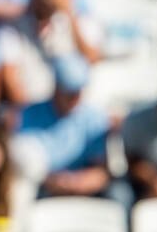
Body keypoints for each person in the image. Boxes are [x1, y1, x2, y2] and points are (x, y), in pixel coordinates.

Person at [14, 57, 114, 199]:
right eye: (68, 92)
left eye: (78, 91)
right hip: (41, 187)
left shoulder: (95, 119)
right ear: (57, 88)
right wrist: (51, 181)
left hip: (85, 190)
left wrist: (77, 183)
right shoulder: (28, 114)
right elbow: (24, 162)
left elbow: (101, 171)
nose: (74, 97)